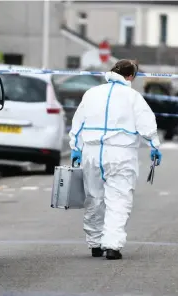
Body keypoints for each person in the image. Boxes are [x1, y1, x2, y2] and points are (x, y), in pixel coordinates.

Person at [68, 59, 162, 260]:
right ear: (130, 77)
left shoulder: (92, 94)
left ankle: (95, 243)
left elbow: (78, 123)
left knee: (94, 198)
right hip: (121, 153)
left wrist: (75, 148)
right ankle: (111, 246)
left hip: (92, 153)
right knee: (118, 199)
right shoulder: (133, 97)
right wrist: (154, 146)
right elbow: (146, 125)